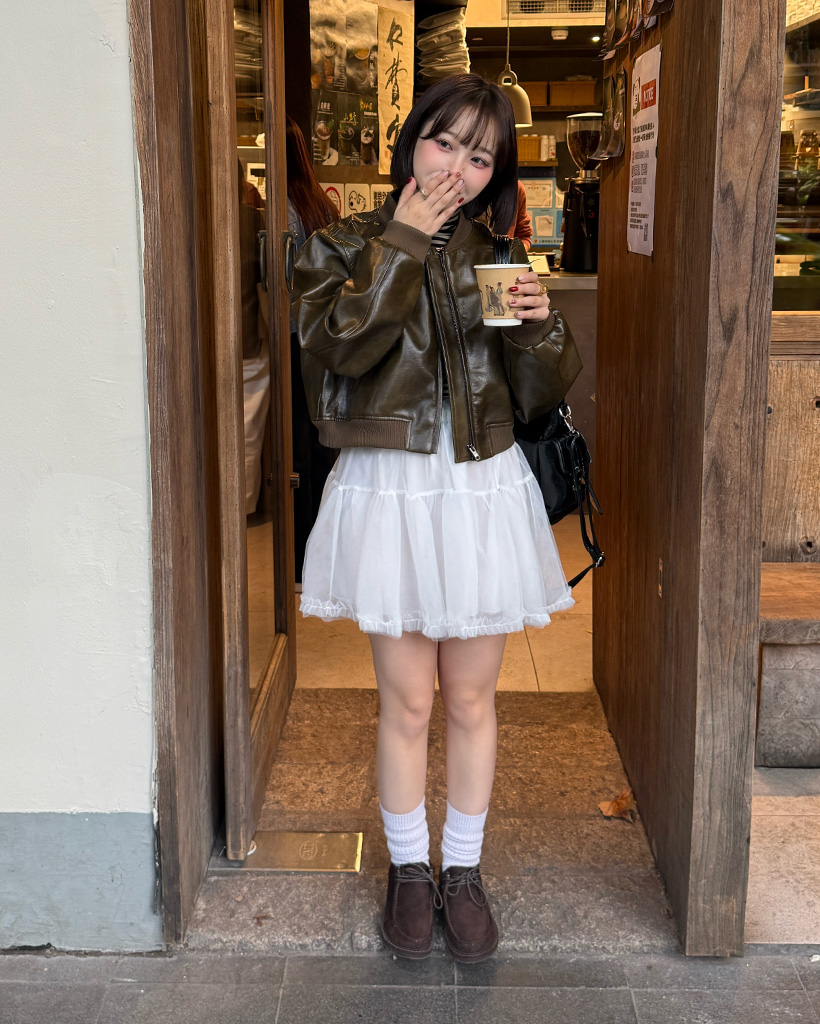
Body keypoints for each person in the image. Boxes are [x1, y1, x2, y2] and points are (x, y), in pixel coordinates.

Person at [291, 74, 581, 963]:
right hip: (393, 488)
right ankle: (409, 868)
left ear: (497, 175)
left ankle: (463, 869)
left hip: (479, 490)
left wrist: (538, 326)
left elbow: (536, 393)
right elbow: (337, 348)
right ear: (411, 142)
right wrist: (405, 243)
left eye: (479, 156)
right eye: (443, 142)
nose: (456, 167)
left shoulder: (496, 256)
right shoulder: (343, 244)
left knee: (471, 696)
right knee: (408, 699)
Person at [285, 115, 340, 582]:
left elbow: (284, 281)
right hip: (321, 342)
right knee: (320, 448)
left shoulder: (282, 209)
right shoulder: (320, 204)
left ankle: (303, 558)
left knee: (297, 450)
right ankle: (322, 554)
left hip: (292, 337)